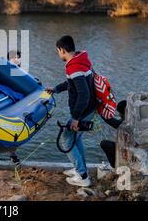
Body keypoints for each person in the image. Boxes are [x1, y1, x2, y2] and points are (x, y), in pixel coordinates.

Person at [46, 36, 97, 187]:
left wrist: (75, 118)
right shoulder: (81, 59)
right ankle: (80, 170)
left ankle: (82, 176)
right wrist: (55, 89)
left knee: (66, 139)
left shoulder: (73, 67)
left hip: (83, 110)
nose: (58, 54)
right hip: (90, 108)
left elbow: (84, 94)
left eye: (58, 51)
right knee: (76, 138)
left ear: (62, 49)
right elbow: (71, 83)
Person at [0, 50, 22, 165]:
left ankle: (12, 155)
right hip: (0, 103)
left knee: (11, 132)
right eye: (14, 57)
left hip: (13, 105)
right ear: (8, 60)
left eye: (18, 57)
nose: (17, 59)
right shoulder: (3, 70)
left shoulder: (20, 72)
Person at [100, 100, 127, 168]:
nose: (120, 115)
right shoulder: (131, 119)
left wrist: (100, 111)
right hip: (127, 149)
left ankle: (115, 165)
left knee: (104, 144)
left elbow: (113, 123)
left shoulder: (127, 123)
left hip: (127, 152)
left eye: (121, 114)